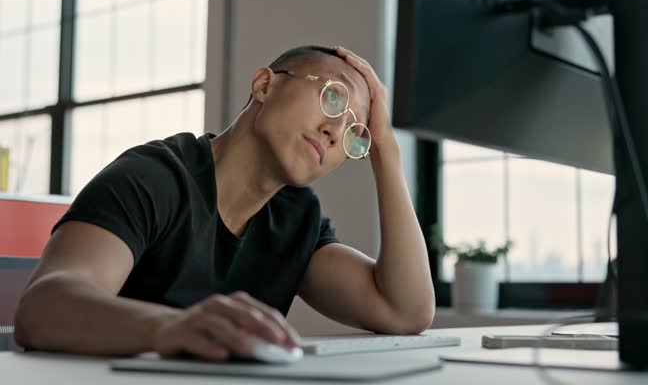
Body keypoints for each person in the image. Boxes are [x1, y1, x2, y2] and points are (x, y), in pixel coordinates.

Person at [14, 45, 435, 361]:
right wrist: (174, 328)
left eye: (354, 133)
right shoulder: (154, 178)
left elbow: (405, 311)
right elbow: (43, 307)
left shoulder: (295, 219)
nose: (334, 131)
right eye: (333, 99)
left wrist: (386, 153)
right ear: (265, 85)